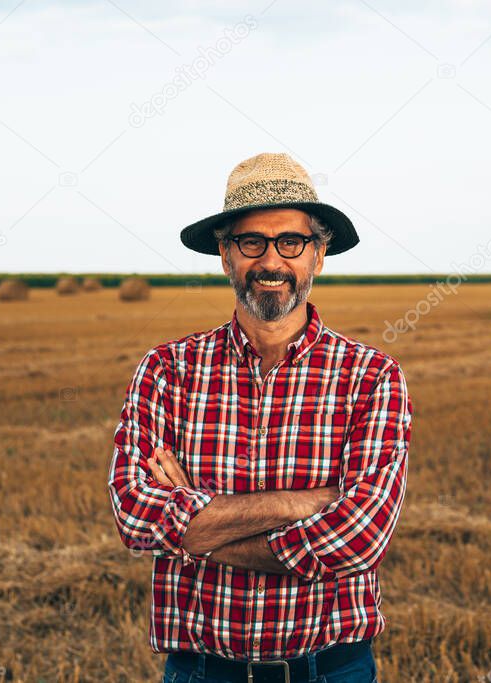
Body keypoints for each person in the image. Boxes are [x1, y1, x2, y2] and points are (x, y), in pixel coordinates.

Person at [107, 152, 412, 683]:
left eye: (291, 242)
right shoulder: (166, 370)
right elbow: (135, 516)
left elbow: (360, 537)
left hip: (331, 670)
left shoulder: (372, 376)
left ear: (319, 255)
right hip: (202, 672)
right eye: (251, 242)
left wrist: (198, 532)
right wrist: (304, 503)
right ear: (225, 255)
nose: (271, 261)